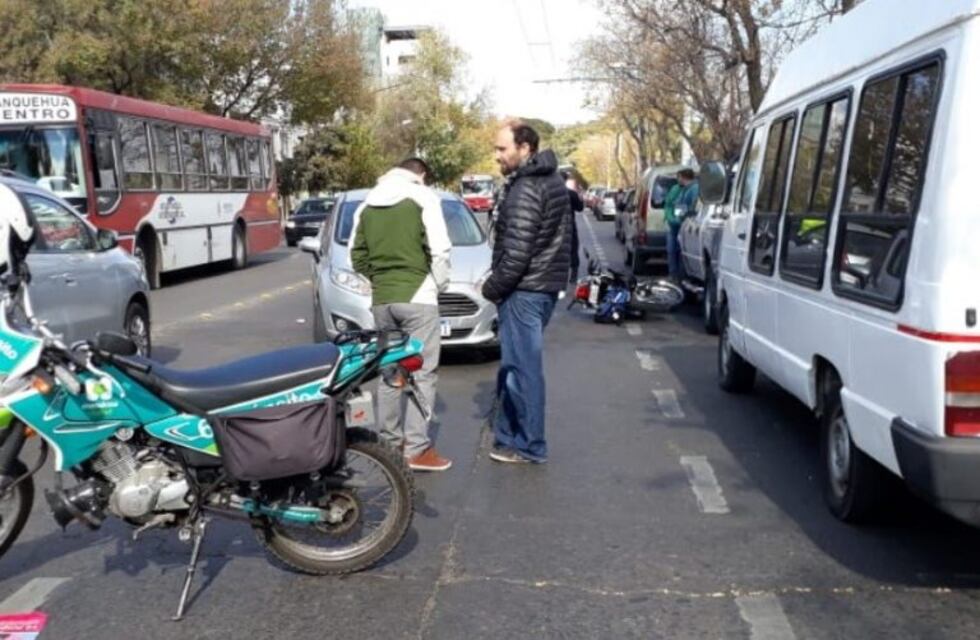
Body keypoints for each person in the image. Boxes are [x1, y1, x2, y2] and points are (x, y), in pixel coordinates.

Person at [349, 158, 453, 472]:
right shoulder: (423, 197)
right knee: (423, 373)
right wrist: (437, 285)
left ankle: (389, 446)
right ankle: (417, 449)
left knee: (390, 373)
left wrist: (379, 281)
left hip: (382, 300)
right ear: (420, 175)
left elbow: (356, 255)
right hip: (419, 296)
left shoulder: (366, 203)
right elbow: (440, 249)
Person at [482, 121, 571, 464]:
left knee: (523, 372)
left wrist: (491, 288)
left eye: (502, 149)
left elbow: (517, 253)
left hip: (525, 289)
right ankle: (510, 436)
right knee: (516, 368)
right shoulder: (550, 181)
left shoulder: (527, 188)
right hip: (541, 286)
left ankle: (530, 445)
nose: (497, 156)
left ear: (525, 148)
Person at [563, 173, 583, 282]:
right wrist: (579, 195)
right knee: (573, 249)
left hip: (553, 226)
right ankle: (573, 275)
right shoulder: (571, 194)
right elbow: (580, 208)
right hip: (569, 225)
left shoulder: (549, 193)